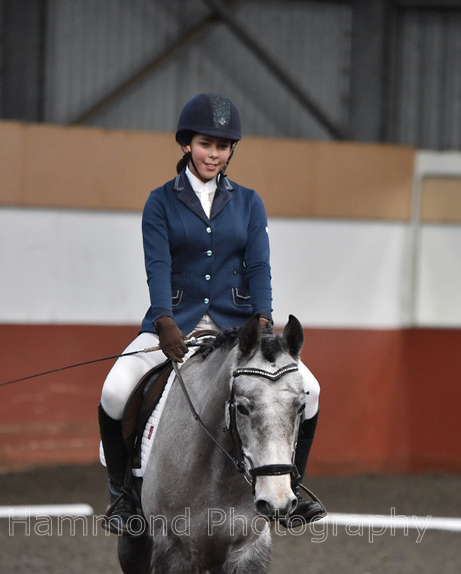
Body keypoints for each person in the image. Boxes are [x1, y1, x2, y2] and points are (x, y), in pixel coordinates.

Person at [98, 93, 323, 534]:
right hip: (173, 326)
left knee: (310, 390)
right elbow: (157, 264)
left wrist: (262, 321)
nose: (214, 154)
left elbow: (258, 264)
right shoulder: (160, 201)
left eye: (223, 147)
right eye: (206, 144)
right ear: (186, 144)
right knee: (113, 390)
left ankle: (294, 487)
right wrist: (163, 320)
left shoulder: (248, 202)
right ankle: (123, 497)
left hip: (237, 329)